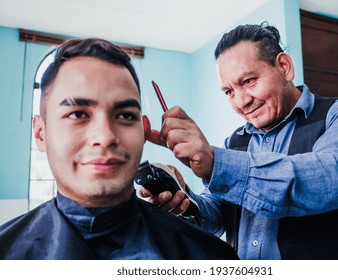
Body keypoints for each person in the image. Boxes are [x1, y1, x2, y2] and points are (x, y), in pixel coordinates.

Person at [143, 22, 338, 260]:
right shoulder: (234, 142)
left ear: (284, 67)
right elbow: (218, 217)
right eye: (229, 91)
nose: (241, 102)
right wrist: (184, 201)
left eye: (248, 81)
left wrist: (216, 163)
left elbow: (329, 180)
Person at [0, 38, 239, 260]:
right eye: (77, 114)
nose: (105, 137)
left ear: (144, 130)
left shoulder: (211, 257)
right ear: (41, 132)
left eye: (125, 115)